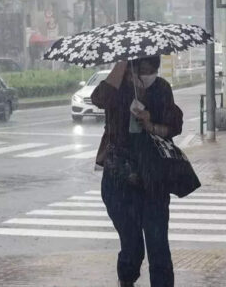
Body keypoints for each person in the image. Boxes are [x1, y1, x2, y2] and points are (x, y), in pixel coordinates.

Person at [91, 57, 183, 287]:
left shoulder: (161, 88)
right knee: (131, 246)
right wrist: (120, 65)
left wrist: (150, 123)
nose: (148, 74)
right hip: (118, 178)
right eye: (142, 69)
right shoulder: (117, 88)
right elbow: (98, 98)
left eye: (152, 69)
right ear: (131, 69)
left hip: (152, 178)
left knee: (158, 244)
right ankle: (126, 280)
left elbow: (174, 125)